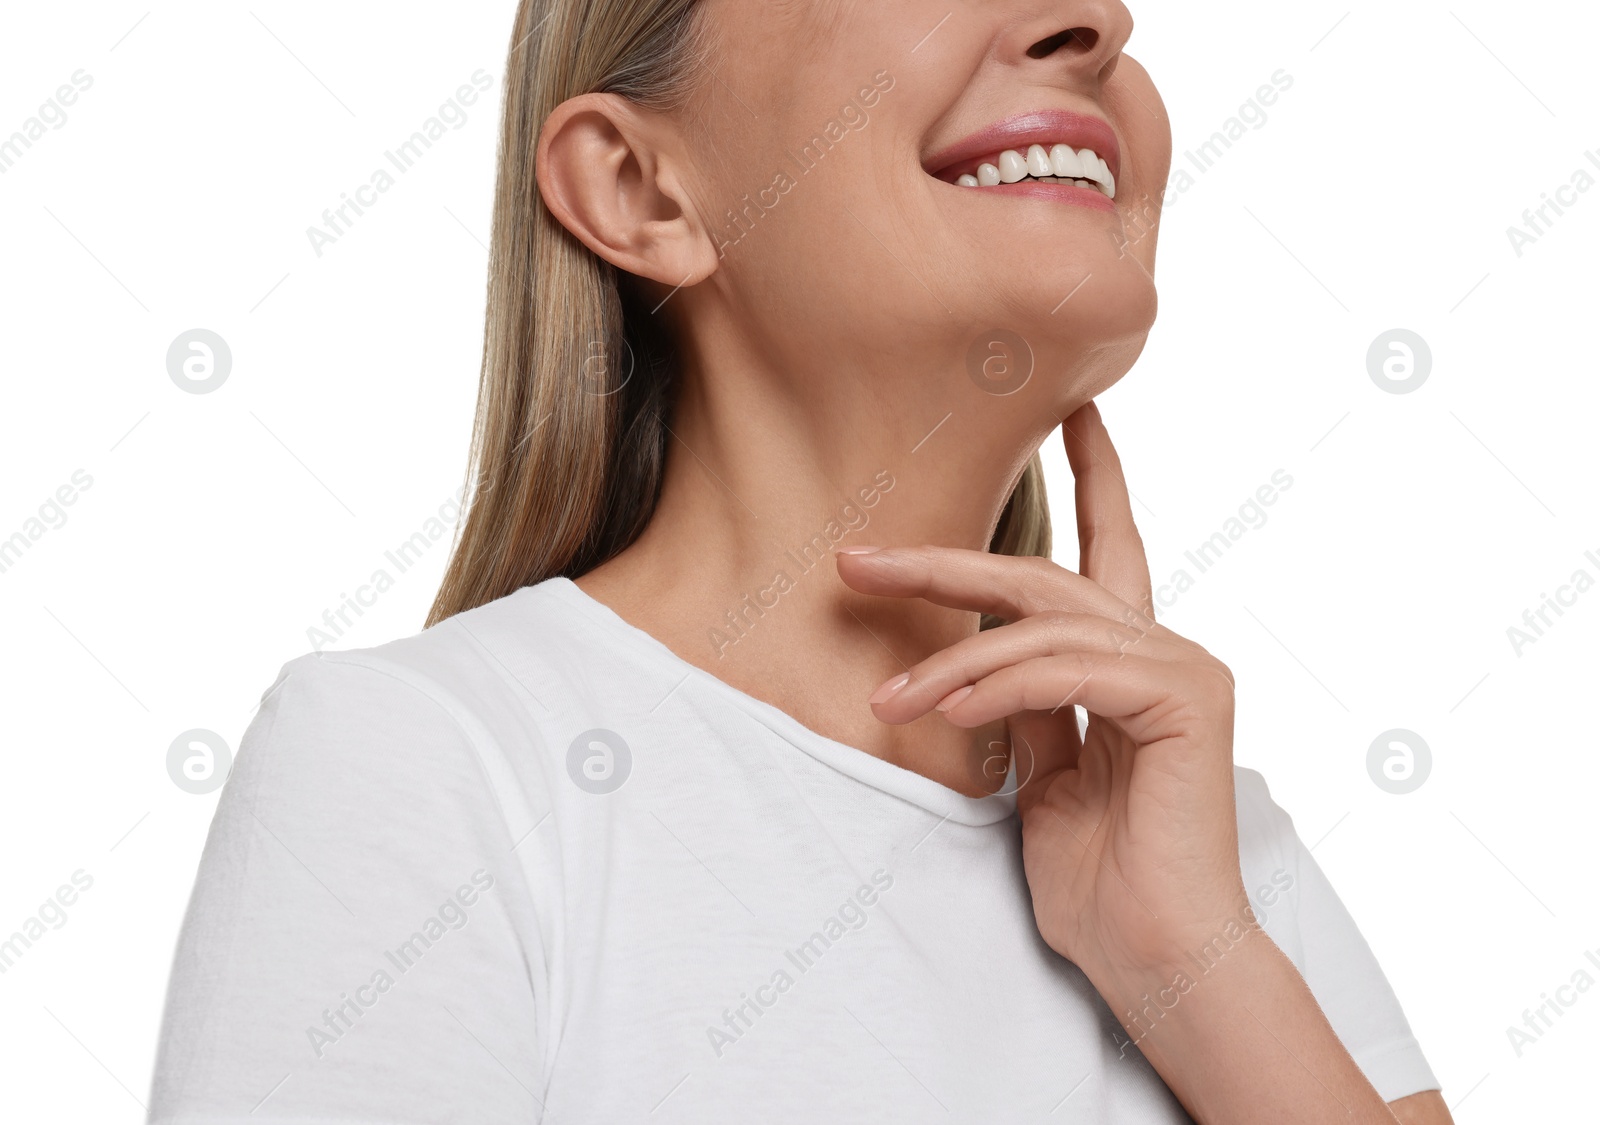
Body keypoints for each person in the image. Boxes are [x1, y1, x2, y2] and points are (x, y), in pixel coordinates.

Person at [148, 1, 1452, 1121]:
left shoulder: (1213, 850)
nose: (1095, 21)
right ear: (636, 187)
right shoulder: (427, 768)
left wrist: (1197, 961)